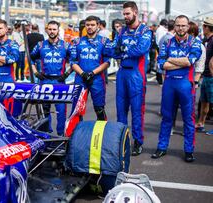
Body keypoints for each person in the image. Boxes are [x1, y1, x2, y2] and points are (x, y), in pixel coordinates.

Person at [152, 15, 202, 162]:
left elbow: (189, 61)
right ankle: (161, 147)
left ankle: (189, 151)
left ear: (188, 26)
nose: (180, 28)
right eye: (178, 25)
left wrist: (170, 59)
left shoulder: (195, 42)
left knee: (188, 119)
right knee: (166, 117)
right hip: (169, 85)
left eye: (183, 25)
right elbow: (161, 64)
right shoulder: (166, 42)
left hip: (186, 85)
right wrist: (179, 62)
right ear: (174, 26)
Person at [108, 1, 152, 156]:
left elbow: (141, 49)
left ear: (135, 12)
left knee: (137, 111)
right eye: (124, 14)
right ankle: (122, 141)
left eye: (127, 13)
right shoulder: (121, 32)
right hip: (122, 74)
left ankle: (138, 141)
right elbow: (113, 51)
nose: (125, 17)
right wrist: (122, 50)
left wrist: (123, 50)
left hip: (136, 75)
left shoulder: (145, 30)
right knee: (121, 111)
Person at [30, 20, 71, 136]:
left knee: (61, 111)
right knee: (45, 110)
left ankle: (61, 136)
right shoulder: (41, 45)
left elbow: (74, 61)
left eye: (54, 29)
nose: (52, 31)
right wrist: (36, 73)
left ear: (58, 30)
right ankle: (47, 135)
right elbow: (31, 58)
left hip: (59, 81)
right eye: (50, 29)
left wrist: (67, 74)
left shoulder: (65, 45)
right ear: (46, 30)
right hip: (45, 80)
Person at [70, 15, 111, 121]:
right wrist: (83, 74)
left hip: (96, 79)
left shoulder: (104, 41)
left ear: (98, 26)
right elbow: (73, 62)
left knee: (99, 109)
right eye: (87, 25)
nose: (90, 27)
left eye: (92, 25)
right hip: (80, 78)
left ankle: (102, 134)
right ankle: (76, 135)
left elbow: (107, 62)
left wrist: (92, 73)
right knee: (77, 109)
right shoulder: (77, 42)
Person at [196, 17, 213, 134]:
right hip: (206, 75)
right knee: (204, 101)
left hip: (211, 76)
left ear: (207, 27)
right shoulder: (207, 40)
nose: (203, 28)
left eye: (204, 26)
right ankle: (201, 123)